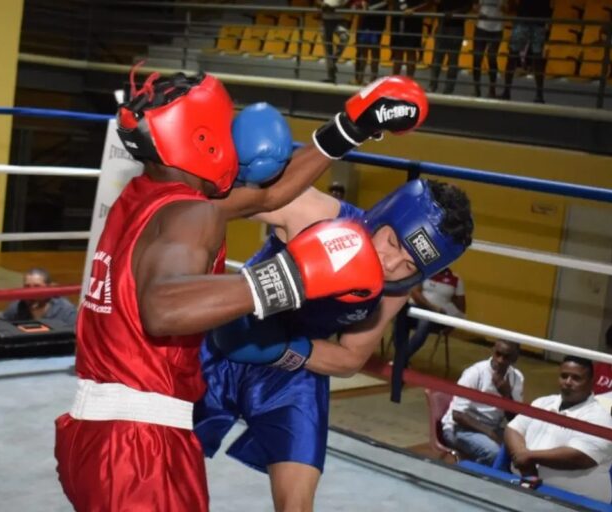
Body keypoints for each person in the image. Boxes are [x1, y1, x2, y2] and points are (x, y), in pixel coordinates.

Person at [54, 71, 429, 512]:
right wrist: (289, 278)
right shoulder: (192, 214)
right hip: (140, 445)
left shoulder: (147, 194)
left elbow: (270, 197)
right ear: (203, 136)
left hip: (93, 432)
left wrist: (351, 127)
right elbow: (162, 308)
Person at [196, 178, 474, 512]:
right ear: (383, 214)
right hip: (222, 340)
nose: (391, 265)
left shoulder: (396, 290)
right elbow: (207, 202)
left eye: (410, 265)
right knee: (161, 468)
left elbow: (350, 357)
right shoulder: (316, 213)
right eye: (392, 242)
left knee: (297, 505)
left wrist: (284, 350)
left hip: (294, 368)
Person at [505, 356, 612, 503]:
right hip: (527, 490)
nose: (568, 382)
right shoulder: (543, 402)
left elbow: (579, 457)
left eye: (576, 378)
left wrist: (530, 457)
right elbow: (513, 428)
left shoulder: (601, 420)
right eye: (564, 376)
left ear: (591, 383)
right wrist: (522, 457)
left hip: (574, 502)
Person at [441, 339, 522, 466]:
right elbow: (457, 415)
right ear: (493, 351)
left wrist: (507, 395)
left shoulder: (516, 378)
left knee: (521, 448)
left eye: (506, 357)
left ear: (515, 358)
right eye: (498, 354)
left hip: (492, 427)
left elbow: (515, 419)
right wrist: (490, 433)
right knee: (494, 453)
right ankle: (474, 477)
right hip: (459, 428)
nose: (500, 360)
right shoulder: (475, 373)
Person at [392, 266, 465, 373]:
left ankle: (401, 359)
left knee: (425, 322)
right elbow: (415, 293)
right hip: (418, 311)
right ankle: (403, 360)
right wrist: (432, 308)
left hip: (438, 318)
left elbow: (461, 309)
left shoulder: (456, 279)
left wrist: (452, 324)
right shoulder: (425, 271)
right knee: (401, 316)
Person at [500, 0, 552, 103]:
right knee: (514, 55)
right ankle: (507, 91)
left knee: (535, 58)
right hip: (526, 20)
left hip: (536, 22)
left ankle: (539, 94)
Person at [0, 268, 77, 325]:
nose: (31, 292)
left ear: (50, 288)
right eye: (27, 286)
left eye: (37, 286)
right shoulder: (17, 306)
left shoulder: (66, 311)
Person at [429, 0, 474, 94]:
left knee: (447, 59)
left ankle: (441, 87)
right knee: (442, 59)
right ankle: (439, 87)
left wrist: (453, 14)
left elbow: (468, 6)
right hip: (446, 25)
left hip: (453, 26)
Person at [390, 0, 433, 79]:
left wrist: (414, 10)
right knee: (397, 53)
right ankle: (395, 80)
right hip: (397, 23)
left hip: (413, 24)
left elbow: (429, 3)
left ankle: (410, 79)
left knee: (411, 52)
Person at [472, 0, 505, 98]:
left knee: (492, 57)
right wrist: (479, 12)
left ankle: (492, 89)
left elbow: (507, 8)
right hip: (481, 28)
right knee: (477, 58)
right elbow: (474, 6)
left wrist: (505, 6)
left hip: (497, 29)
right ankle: (477, 88)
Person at [354, 0, 388, 85]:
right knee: (363, 54)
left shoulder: (383, 2)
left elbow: (385, 5)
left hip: (376, 28)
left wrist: (367, 7)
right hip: (364, 27)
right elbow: (358, 10)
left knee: (375, 54)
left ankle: (373, 79)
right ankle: (360, 78)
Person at [321, 0, 353, 83]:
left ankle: (333, 61)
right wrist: (322, 5)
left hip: (339, 22)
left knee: (345, 37)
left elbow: (347, 4)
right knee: (328, 50)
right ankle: (331, 77)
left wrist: (333, 7)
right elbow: (318, 3)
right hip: (325, 21)